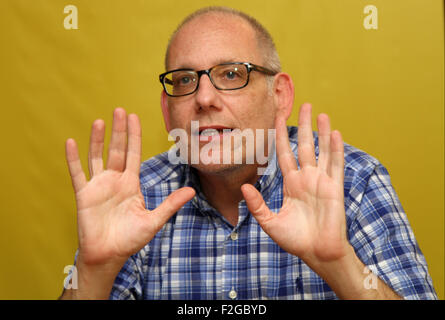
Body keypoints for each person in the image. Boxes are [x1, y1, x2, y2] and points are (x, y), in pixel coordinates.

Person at [60, 6, 437, 300]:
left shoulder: (353, 182)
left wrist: (340, 266)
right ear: (166, 109)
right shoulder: (136, 197)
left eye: (230, 74)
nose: (204, 98)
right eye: (185, 80)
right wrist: (95, 269)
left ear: (279, 96)